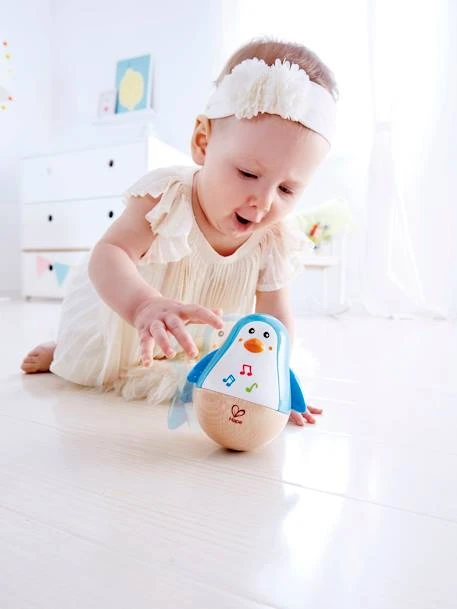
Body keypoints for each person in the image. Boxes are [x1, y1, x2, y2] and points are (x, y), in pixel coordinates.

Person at [21, 38, 338, 426]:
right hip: (130, 319)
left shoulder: (273, 238)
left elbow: (275, 320)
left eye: (287, 189)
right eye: (247, 174)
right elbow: (110, 253)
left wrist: (277, 382)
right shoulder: (168, 199)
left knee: (208, 371)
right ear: (203, 142)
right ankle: (63, 350)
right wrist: (142, 305)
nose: (263, 201)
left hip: (198, 340)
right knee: (86, 361)